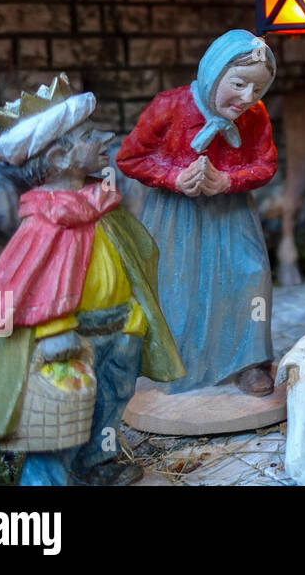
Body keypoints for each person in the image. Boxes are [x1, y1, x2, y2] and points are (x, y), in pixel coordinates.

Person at [0, 75, 183, 486]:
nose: (105, 138)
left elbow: (133, 261)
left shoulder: (102, 206)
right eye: (89, 135)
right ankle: (48, 481)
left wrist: (134, 316)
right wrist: (52, 330)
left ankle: (97, 463)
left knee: (110, 401)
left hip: (119, 328)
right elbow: (14, 287)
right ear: (58, 157)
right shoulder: (44, 223)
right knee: (58, 415)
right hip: (69, 338)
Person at [117, 29, 278, 395]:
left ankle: (248, 361)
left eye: (258, 89)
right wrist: (173, 177)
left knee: (251, 275)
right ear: (213, 73)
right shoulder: (169, 106)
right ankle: (176, 363)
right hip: (176, 214)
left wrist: (228, 180)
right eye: (238, 84)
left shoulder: (255, 115)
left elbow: (266, 164)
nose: (247, 97)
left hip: (232, 211)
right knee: (178, 284)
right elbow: (129, 158)